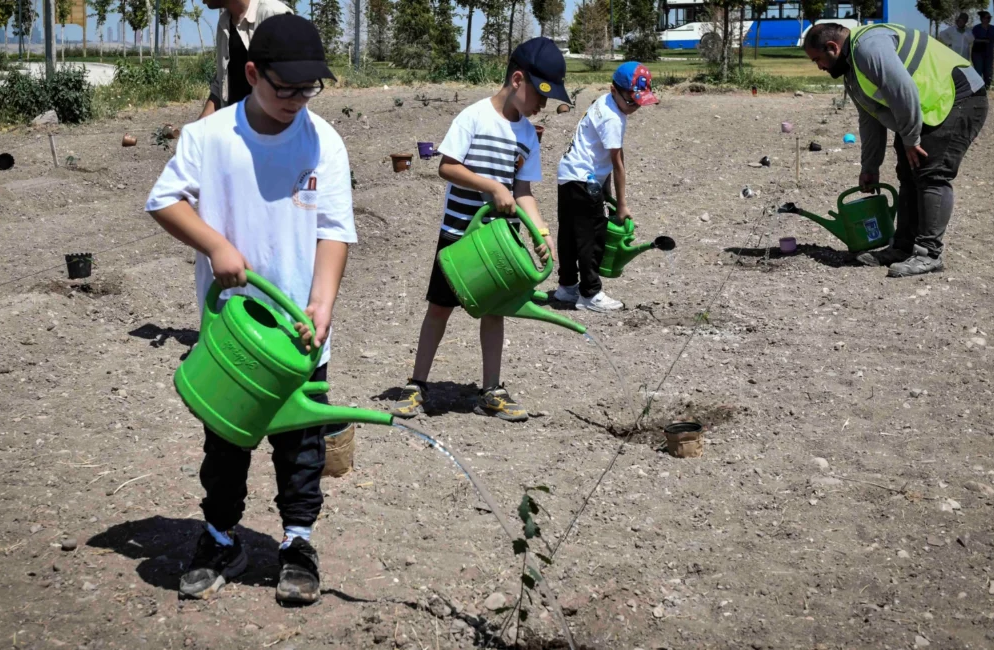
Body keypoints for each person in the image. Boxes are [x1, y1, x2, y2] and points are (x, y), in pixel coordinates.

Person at [146, 14, 356, 605]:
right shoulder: (209, 138)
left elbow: (335, 231)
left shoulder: (324, 142)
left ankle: (297, 542)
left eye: (305, 90)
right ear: (251, 73)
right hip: (235, 334)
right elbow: (163, 201)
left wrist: (323, 303)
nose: (294, 101)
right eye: (281, 88)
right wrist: (215, 245)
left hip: (298, 333)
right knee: (226, 442)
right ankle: (220, 538)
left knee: (302, 446)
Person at [389, 37, 569, 422]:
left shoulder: (528, 136)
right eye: (540, 95)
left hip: (499, 242)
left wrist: (542, 232)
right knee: (439, 308)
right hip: (458, 235)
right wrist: (490, 186)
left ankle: (491, 390)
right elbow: (447, 167)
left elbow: (523, 191)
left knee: (494, 311)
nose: (543, 105)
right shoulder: (473, 117)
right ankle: (417, 384)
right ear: (517, 79)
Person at [803, 22, 988, 278]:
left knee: (931, 172)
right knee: (908, 172)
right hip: (926, 107)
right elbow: (870, 119)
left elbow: (903, 89)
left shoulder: (868, 47)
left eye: (818, 60)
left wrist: (911, 139)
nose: (820, 67)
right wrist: (870, 167)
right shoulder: (852, 70)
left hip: (959, 97)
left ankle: (928, 254)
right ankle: (903, 248)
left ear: (832, 47)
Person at [553, 61, 658, 312]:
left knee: (568, 233)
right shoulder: (613, 119)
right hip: (584, 179)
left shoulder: (603, 102)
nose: (634, 107)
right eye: (630, 101)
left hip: (568, 175)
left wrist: (605, 192)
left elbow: (599, 155)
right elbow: (617, 163)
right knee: (592, 236)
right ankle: (590, 293)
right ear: (614, 90)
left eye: (638, 102)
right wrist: (621, 205)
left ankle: (566, 287)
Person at [196, 0, 292, 121]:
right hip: (236, 130)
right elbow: (221, 84)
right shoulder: (224, 22)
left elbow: (292, 84)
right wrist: (199, 128)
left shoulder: (274, 14)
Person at [971, 11, 994, 87]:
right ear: (982, 19)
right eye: (987, 17)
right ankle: (978, 87)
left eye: (990, 17)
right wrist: (984, 40)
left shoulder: (992, 28)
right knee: (978, 70)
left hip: (988, 52)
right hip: (977, 52)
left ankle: (987, 86)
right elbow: (973, 39)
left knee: (988, 71)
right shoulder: (976, 28)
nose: (989, 19)